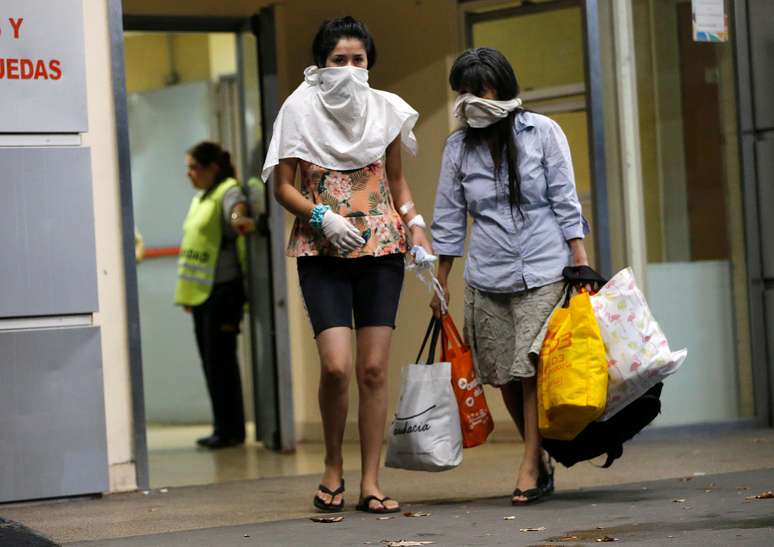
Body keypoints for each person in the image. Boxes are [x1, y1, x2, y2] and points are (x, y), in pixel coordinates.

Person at [263, 16, 432, 514]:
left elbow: (397, 182)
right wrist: (320, 215)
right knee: (336, 368)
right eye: (340, 60)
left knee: (374, 370)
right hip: (323, 251)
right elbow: (282, 187)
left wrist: (415, 224)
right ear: (321, 65)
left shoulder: (387, 111)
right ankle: (333, 465)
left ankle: (371, 482)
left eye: (359, 60)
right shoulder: (298, 109)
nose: (350, 69)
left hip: (381, 249)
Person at [430, 48, 589, 505]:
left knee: (531, 370)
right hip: (488, 274)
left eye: (478, 91)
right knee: (502, 374)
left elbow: (565, 201)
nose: (469, 101)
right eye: (462, 92)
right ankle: (537, 455)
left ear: (500, 89)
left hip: (543, 268)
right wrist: (441, 283)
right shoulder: (458, 147)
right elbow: (448, 217)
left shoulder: (543, 133)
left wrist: (580, 263)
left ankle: (528, 461)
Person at [176, 141, 256, 449]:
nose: (189, 174)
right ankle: (222, 426)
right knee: (211, 362)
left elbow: (237, 211)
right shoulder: (201, 198)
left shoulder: (227, 191)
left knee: (221, 363)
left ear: (212, 168)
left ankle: (231, 430)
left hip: (223, 292)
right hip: (203, 294)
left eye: (193, 167)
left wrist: (240, 220)